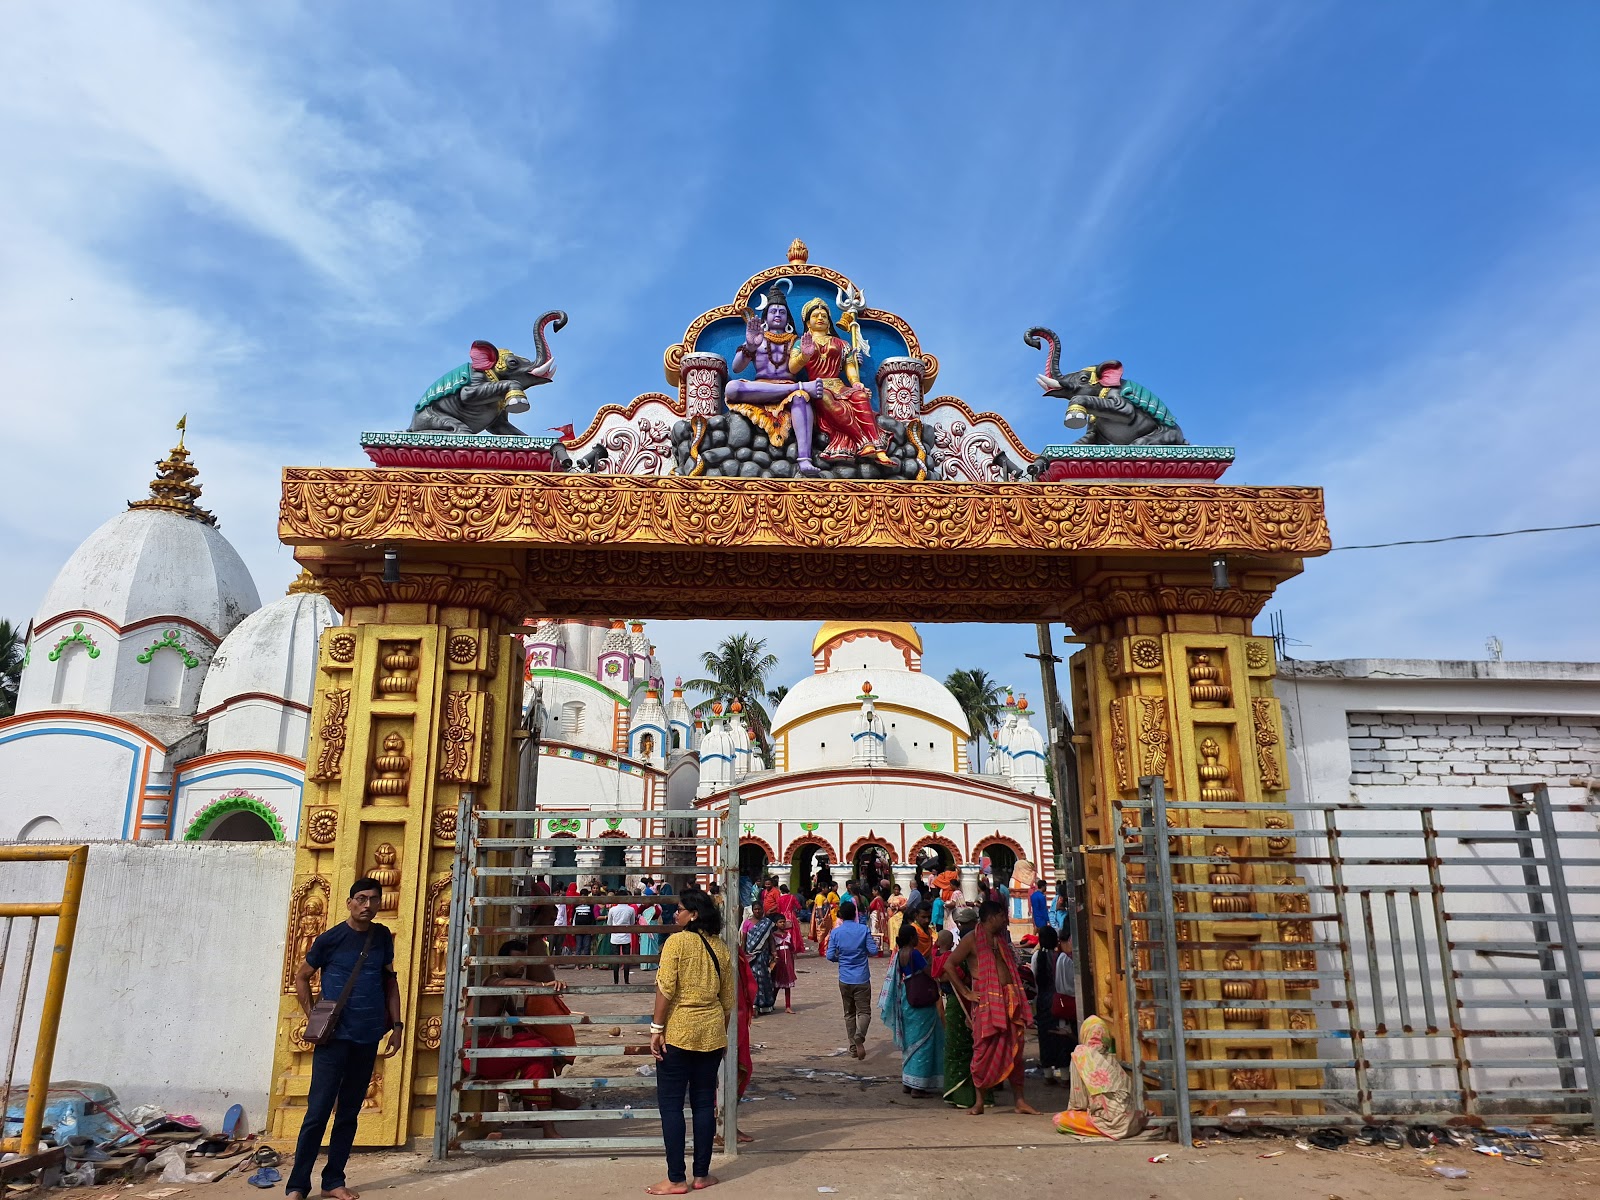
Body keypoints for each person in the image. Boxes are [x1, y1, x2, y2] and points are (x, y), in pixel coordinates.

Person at [287, 877, 403, 1200]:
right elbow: (302, 977)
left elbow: (390, 981)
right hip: (334, 1039)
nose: (368, 905)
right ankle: (297, 1185)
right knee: (318, 1112)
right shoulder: (331, 939)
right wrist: (313, 1016)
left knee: (349, 1112)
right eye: (362, 899)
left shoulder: (381, 938)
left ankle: (333, 1181)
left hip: (366, 1038)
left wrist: (398, 1024)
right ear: (350, 902)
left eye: (374, 900)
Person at [648, 889, 735, 1195]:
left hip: (679, 1032)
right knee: (702, 1104)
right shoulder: (721, 949)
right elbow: (727, 1001)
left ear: (694, 914)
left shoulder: (677, 942)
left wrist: (656, 1029)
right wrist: (719, 1034)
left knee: (671, 1106)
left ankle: (675, 1179)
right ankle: (701, 1175)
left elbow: (665, 989)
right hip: (711, 1033)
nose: (676, 913)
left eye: (681, 909)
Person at [466, 938, 578, 1138]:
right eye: (516, 961)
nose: (521, 966)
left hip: (492, 1051)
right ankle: (554, 1097)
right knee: (540, 1046)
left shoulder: (506, 993)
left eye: (524, 962)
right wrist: (542, 985)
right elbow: (507, 983)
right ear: (500, 962)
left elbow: (519, 1025)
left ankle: (546, 1127)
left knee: (536, 1065)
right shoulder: (493, 981)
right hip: (476, 1052)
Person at [942, 900, 1038, 1116]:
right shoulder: (972, 940)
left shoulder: (1000, 939)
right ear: (992, 917)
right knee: (982, 1052)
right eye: (1002, 916)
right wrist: (966, 993)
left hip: (1009, 1000)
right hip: (986, 1002)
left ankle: (1020, 1101)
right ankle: (979, 1103)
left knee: (1015, 1051)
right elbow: (949, 965)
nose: (1005, 920)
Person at [1053, 1015, 1148, 1139]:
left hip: (1114, 1124)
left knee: (1059, 1120)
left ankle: (1103, 1129)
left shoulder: (1081, 1055)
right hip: (1133, 1122)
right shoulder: (1111, 1058)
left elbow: (1079, 1103)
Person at [879, 923, 943, 1098]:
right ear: (912, 938)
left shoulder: (900, 954)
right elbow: (930, 972)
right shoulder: (914, 953)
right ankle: (918, 1087)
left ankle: (908, 1082)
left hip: (907, 998)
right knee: (924, 1043)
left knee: (911, 1043)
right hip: (921, 999)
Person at [941, 905, 983, 1109]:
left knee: (973, 1047)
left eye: (962, 924)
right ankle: (962, 1095)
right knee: (962, 1048)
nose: (960, 927)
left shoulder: (976, 941)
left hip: (971, 1001)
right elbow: (947, 969)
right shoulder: (965, 945)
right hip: (962, 1002)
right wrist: (965, 991)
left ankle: (974, 1095)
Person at [825, 898, 877, 1059]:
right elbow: (873, 950)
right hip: (861, 977)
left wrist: (841, 958)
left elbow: (829, 955)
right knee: (864, 1012)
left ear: (840, 915)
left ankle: (853, 1047)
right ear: (855, 913)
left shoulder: (836, 932)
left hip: (845, 977)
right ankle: (859, 1036)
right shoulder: (863, 929)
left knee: (849, 1013)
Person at [1031, 927, 1075, 1086]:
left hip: (1042, 1000)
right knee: (1061, 1037)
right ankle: (1064, 1076)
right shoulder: (1061, 958)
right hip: (1058, 1000)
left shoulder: (1037, 956)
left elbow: (1035, 978)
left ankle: (1048, 1074)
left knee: (1045, 1036)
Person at [743, 908, 778, 1015]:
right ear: (752, 911)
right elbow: (744, 939)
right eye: (755, 909)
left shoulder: (767, 924)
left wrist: (774, 952)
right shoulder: (747, 923)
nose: (757, 911)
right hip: (751, 956)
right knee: (752, 979)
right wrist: (743, 953)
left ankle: (764, 1005)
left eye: (759, 909)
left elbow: (770, 939)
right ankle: (753, 1005)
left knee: (763, 979)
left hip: (763, 956)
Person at [771, 913, 798, 1013]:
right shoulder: (773, 936)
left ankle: (788, 1006)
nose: (782, 924)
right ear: (776, 924)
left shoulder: (788, 935)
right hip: (779, 961)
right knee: (776, 985)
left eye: (783, 922)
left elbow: (791, 948)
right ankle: (771, 1003)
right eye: (780, 922)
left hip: (788, 961)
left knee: (787, 985)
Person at [607, 895, 638, 985]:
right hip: (626, 937)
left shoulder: (612, 909)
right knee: (627, 959)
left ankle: (616, 981)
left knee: (615, 960)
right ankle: (626, 980)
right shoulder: (630, 909)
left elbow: (609, 923)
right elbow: (632, 922)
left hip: (615, 937)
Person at [639, 897, 663, 971]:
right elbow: (638, 913)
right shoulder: (644, 908)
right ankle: (646, 965)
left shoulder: (655, 908)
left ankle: (651, 964)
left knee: (652, 945)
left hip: (652, 927)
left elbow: (657, 913)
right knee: (645, 946)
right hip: (646, 928)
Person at [572, 886, 596, 961]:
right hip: (578, 929)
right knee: (578, 946)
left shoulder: (590, 906)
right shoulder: (576, 906)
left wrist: (592, 929)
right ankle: (577, 963)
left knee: (587, 946)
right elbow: (574, 918)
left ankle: (587, 963)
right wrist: (573, 929)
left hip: (588, 929)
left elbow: (592, 918)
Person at [867, 886, 888, 958]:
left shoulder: (878, 899)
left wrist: (877, 921)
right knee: (876, 933)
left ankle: (876, 951)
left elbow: (878, 910)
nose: (872, 892)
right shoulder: (879, 899)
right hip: (875, 917)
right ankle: (877, 950)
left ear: (876, 891)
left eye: (873, 891)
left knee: (875, 933)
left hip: (876, 917)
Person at [886, 885, 907, 956]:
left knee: (897, 932)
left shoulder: (902, 897)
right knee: (891, 933)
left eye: (897, 890)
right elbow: (888, 904)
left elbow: (904, 907)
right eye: (895, 889)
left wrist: (897, 907)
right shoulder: (891, 897)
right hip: (891, 918)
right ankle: (892, 948)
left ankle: (898, 947)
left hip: (899, 917)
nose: (896, 891)